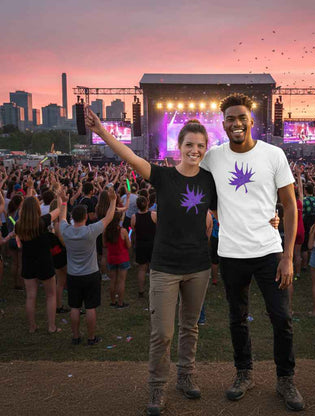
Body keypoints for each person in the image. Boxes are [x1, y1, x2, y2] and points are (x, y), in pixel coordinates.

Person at [85, 109, 218, 416]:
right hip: (165, 268)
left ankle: (185, 377)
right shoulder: (163, 176)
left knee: (190, 327)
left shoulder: (210, 181)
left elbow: (235, 208)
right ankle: (157, 389)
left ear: (205, 147)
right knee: (163, 333)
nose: (195, 150)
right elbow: (130, 157)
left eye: (200, 145)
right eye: (189, 145)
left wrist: (270, 219)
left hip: (198, 265)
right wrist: (104, 133)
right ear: (179, 146)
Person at [200, 93, 304, 411]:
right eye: (230, 118)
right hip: (231, 253)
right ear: (223, 123)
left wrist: (287, 256)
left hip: (269, 251)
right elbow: (195, 190)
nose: (236, 123)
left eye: (241, 117)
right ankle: (243, 374)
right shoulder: (213, 157)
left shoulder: (273, 155)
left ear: (251, 121)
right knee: (237, 318)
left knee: (281, 318)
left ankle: (286, 379)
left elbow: (289, 206)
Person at [59, 187, 116, 346]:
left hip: (73, 275)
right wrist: (113, 200)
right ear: (85, 217)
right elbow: (109, 217)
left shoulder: (66, 230)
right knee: (90, 307)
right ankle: (91, 338)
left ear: (73, 217)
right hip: (90, 273)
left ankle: (75, 337)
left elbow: (62, 218)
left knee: (75, 307)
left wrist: (63, 201)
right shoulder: (91, 230)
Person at [15, 190, 61, 334]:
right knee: (50, 295)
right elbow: (58, 210)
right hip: (44, 261)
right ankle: (51, 326)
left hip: (28, 261)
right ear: (37, 208)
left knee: (31, 296)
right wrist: (61, 197)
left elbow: (20, 244)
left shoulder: (18, 225)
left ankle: (32, 326)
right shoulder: (42, 221)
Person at [104, 211, 131, 309]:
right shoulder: (123, 231)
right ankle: (120, 302)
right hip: (122, 257)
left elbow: (104, 244)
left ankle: (113, 301)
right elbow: (128, 245)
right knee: (121, 281)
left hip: (111, 257)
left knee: (113, 280)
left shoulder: (106, 231)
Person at [130, 195, 156, 299]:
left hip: (141, 244)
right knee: (154, 269)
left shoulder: (134, 217)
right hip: (153, 243)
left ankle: (141, 291)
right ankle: (155, 289)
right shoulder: (154, 215)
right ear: (148, 203)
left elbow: (134, 229)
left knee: (141, 269)